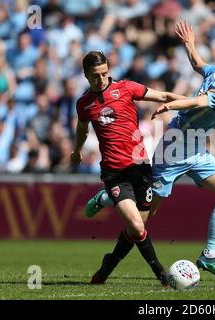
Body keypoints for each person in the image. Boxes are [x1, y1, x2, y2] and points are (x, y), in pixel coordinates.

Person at [84, 21, 215, 282]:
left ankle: (210, 256)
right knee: (141, 223)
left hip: (195, 146)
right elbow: (197, 101)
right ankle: (106, 205)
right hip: (173, 149)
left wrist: (190, 43)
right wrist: (172, 105)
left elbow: (198, 65)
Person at [70, 51, 187, 285]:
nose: (101, 79)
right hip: (115, 173)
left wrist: (191, 103)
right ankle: (162, 275)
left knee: (137, 228)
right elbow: (82, 129)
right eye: (95, 75)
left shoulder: (126, 88)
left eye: (104, 74)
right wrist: (77, 150)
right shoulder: (84, 104)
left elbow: (163, 94)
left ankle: (108, 265)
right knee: (135, 224)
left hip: (141, 167)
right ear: (85, 74)